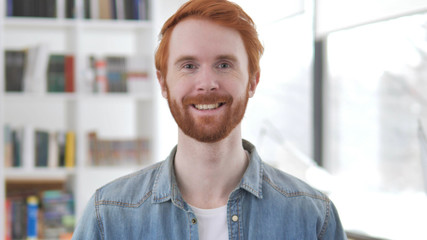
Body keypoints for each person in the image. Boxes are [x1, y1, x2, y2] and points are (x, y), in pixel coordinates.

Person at [72, 0, 347, 239]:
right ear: (163, 84)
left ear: (253, 81)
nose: (206, 83)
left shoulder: (314, 218)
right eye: (189, 66)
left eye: (224, 65)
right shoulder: (107, 216)